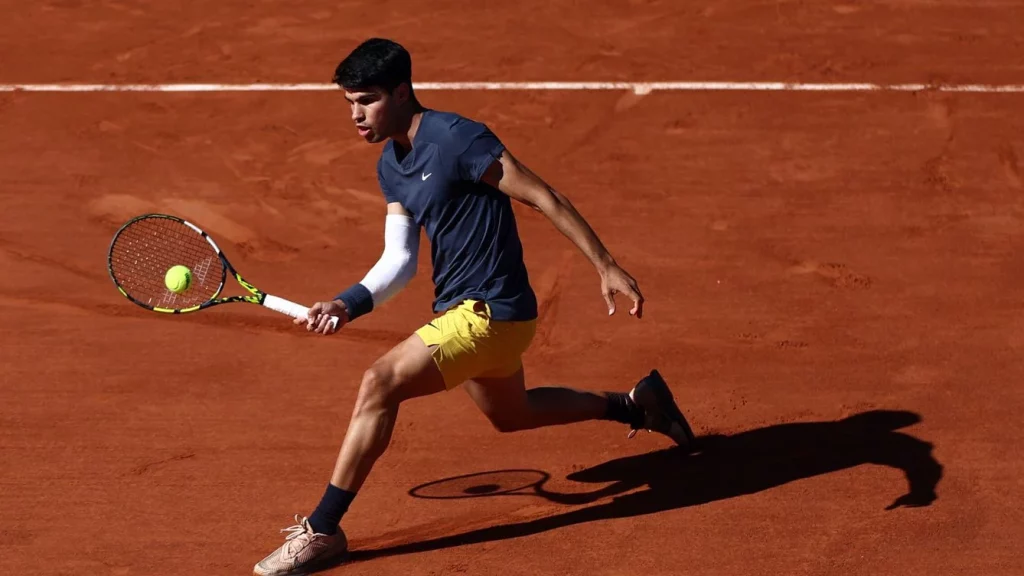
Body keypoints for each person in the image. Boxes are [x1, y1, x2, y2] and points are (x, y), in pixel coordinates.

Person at [254, 38, 696, 576]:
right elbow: (399, 260)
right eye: (348, 102)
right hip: (466, 316)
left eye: (365, 100)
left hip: (491, 310)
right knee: (514, 416)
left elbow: (543, 196)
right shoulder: (391, 166)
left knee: (378, 382)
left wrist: (604, 264)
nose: (354, 115)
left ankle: (322, 530)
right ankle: (635, 404)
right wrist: (347, 304)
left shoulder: (459, 139)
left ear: (401, 92)